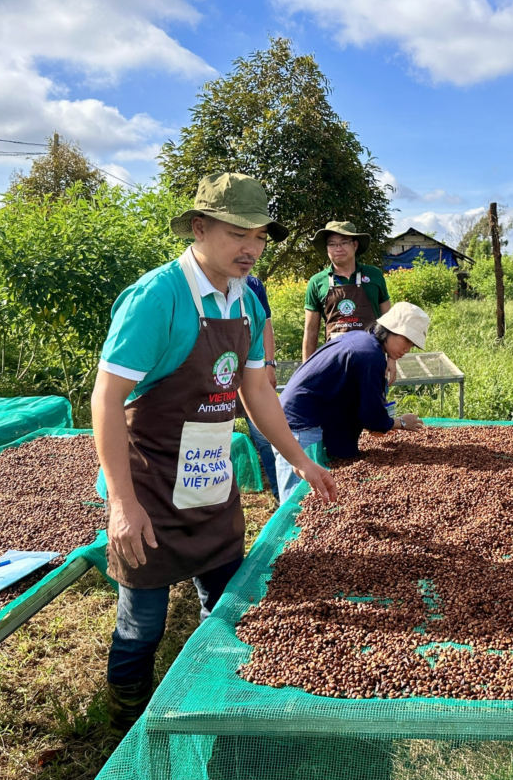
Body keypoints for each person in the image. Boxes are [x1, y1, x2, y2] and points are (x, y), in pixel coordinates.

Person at [91, 172, 338, 732]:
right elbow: (106, 400)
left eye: (259, 235)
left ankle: (213, 705)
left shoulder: (245, 299)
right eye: (236, 233)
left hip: (209, 479)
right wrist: (122, 505)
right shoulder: (158, 298)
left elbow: (256, 392)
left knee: (226, 605)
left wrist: (301, 461)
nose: (251, 248)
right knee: (143, 621)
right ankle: (126, 721)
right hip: (149, 486)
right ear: (199, 228)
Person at [275, 302, 430, 503]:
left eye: (412, 344)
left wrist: (378, 423)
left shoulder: (361, 339)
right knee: (300, 501)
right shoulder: (370, 356)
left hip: (302, 415)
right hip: (300, 423)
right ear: (390, 330)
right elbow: (371, 415)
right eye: (406, 340)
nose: (407, 349)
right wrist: (400, 422)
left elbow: (358, 399)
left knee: (312, 495)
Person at [303, 221, 391, 361]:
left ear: (355, 245)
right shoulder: (317, 281)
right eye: (332, 244)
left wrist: (391, 360)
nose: (338, 248)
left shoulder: (374, 275)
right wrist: (306, 369)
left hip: (372, 358)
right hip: (335, 359)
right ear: (327, 248)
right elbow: (311, 330)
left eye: (344, 242)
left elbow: (388, 321)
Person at [242, 274, 279, 498]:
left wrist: (269, 363)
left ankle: (279, 494)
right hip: (215, 373)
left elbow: (265, 326)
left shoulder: (253, 285)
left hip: (252, 370)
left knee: (265, 436)